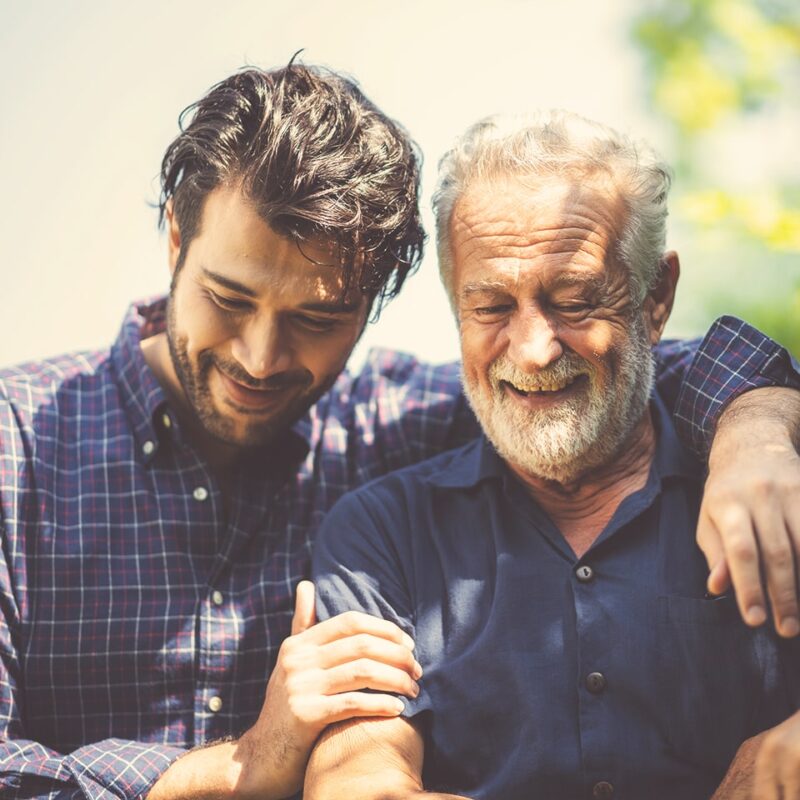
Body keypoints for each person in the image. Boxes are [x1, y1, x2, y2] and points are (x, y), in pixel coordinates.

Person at [0, 63, 797, 800]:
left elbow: (626, 371)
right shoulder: (17, 443)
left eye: (316, 318)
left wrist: (757, 426)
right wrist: (234, 767)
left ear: (373, 306)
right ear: (176, 240)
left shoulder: (410, 416)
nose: (261, 356)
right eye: (229, 298)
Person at [308, 110, 800, 800]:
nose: (533, 349)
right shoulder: (382, 534)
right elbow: (359, 785)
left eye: (574, 301)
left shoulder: (769, 480)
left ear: (656, 298)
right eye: (490, 307)